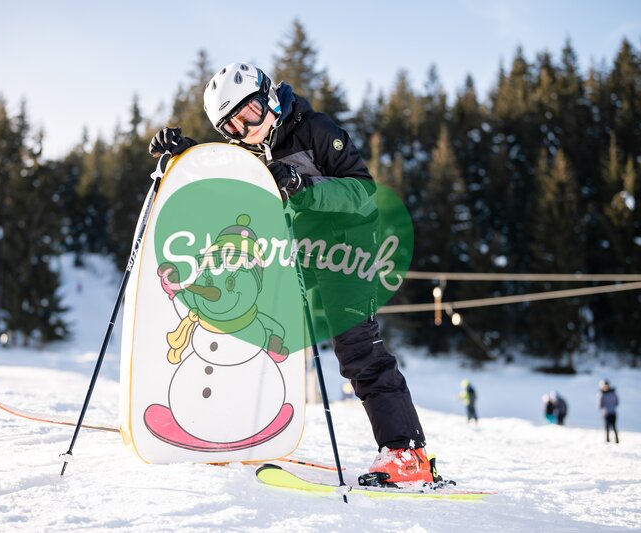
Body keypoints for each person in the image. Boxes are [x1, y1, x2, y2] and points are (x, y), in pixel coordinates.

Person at [149, 62, 435, 485]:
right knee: (246, 329)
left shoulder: (314, 129)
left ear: (267, 96)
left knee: (356, 348)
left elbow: (362, 190)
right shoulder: (247, 150)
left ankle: (407, 455)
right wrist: (186, 155)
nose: (246, 129)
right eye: (232, 127)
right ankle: (230, 430)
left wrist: (302, 184)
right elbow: (221, 180)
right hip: (293, 250)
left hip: (347, 247)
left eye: (248, 113)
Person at [598, 379, 619, 443]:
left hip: (608, 412)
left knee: (612, 426)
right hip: (610, 412)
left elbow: (600, 405)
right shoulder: (613, 393)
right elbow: (617, 402)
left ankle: (615, 439)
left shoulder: (602, 394)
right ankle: (608, 439)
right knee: (609, 426)